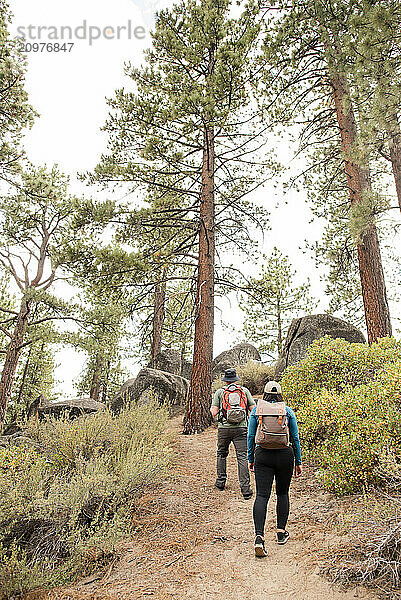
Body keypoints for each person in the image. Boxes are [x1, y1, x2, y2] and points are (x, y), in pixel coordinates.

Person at [247, 380, 302, 557]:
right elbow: (294, 437)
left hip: (262, 454)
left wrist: (251, 457)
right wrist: (298, 461)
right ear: (279, 394)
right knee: (282, 493)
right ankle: (280, 533)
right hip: (285, 455)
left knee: (262, 495)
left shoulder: (257, 410)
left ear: (264, 394)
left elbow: (250, 435)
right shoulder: (287, 411)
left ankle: (259, 538)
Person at [210, 368, 256, 499]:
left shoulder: (220, 392)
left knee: (221, 454)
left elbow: (213, 412)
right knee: (242, 457)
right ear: (236, 379)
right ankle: (246, 490)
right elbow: (253, 409)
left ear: (225, 380)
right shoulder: (244, 391)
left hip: (224, 429)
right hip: (241, 428)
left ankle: (220, 482)